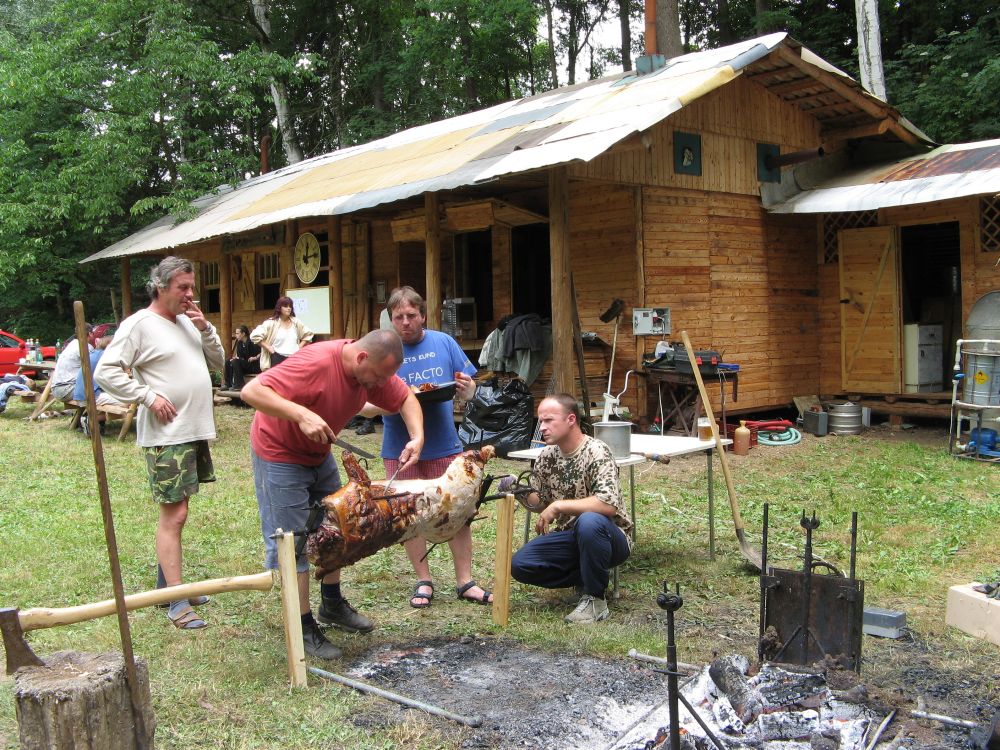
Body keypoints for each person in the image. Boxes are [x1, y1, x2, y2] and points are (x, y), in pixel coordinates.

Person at [241, 329, 424, 660]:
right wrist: (301, 414)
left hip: (319, 452)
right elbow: (251, 391)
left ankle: (331, 603)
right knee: (293, 542)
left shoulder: (373, 371)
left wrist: (417, 437)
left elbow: (405, 399)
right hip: (278, 452)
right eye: (377, 377)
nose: (378, 386)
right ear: (362, 357)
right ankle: (301, 626)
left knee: (339, 527)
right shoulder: (315, 363)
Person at [95, 256, 225, 630]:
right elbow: (106, 371)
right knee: (175, 514)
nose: (190, 294)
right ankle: (176, 602)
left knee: (180, 510)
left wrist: (205, 329)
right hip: (167, 435)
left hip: (191, 430)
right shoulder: (139, 325)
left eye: (192, 286)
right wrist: (147, 396)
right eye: (183, 287)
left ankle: (167, 586)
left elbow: (219, 363)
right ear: (160, 286)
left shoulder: (187, 321)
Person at [372, 286, 489, 608]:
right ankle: (423, 580)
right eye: (399, 317)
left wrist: (467, 389)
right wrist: (392, 402)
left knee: (459, 511)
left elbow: (469, 388)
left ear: (423, 315)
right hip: (399, 447)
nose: (406, 322)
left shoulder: (443, 342)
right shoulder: (383, 351)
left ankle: (465, 581)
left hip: (444, 444)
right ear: (391, 319)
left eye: (411, 315)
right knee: (409, 514)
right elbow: (367, 401)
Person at [510, 393, 631, 624]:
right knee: (520, 565)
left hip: (610, 536)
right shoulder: (547, 456)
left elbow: (607, 504)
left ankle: (596, 599)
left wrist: (559, 506)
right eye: (540, 421)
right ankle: (586, 577)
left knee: (589, 521)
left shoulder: (596, 451)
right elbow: (541, 502)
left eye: (548, 420)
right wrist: (519, 491)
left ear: (571, 419)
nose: (542, 428)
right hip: (570, 536)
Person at [72, 333, 124, 436]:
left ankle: (92, 419)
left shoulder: (93, 354)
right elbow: (114, 379)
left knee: (113, 397)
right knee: (128, 401)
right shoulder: (106, 356)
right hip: (90, 396)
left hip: (80, 395)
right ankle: (92, 419)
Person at [250, 297, 313, 370]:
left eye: (290, 306)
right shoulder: (271, 323)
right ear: (279, 308)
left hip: (294, 359)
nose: (289, 308)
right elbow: (254, 336)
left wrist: (299, 347)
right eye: (286, 306)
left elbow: (308, 334)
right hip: (277, 358)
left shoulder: (296, 322)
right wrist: (269, 348)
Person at [49, 329, 93, 402]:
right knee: (99, 390)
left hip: (55, 389)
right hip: (68, 390)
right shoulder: (85, 346)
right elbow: (95, 367)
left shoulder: (71, 344)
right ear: (90, 334)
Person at [224, 325, 261, 389]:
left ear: (243, 334)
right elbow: (240, 358)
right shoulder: (239, 343)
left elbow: (262, 352)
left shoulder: (252, 342)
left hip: (254, 366)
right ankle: (227, 384)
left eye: (237, 333)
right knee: (228, 361)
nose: (236, 335)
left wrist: (255, 358)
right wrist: (237, 358)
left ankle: (239, 384)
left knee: (235, 361)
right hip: (245, 365)